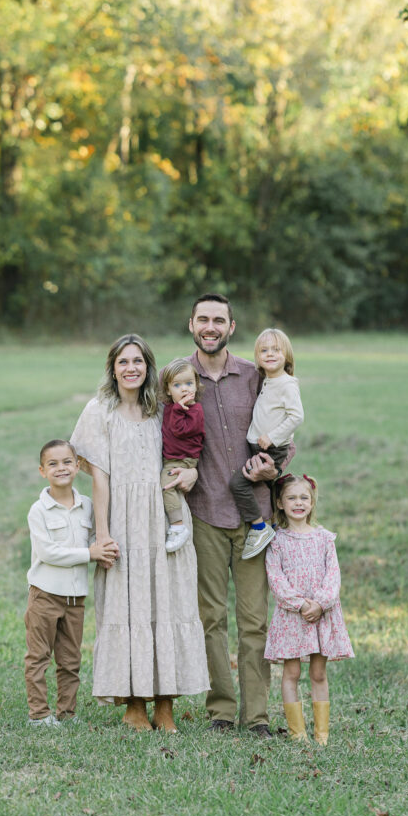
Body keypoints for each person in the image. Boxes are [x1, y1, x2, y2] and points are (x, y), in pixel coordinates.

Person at [70, 334, 209, 733]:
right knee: (126, 605)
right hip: (123, 519)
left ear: (149, 367)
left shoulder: (161, 408)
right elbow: (99, 480)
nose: (131, 368)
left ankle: (165, 703)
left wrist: (192, 471)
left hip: (165, 516)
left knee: (169, 603)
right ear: (112, 368)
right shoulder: (100, 411)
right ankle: (133, 703)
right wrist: (103, 534)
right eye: (123, 362)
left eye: (139, 361)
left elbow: (189, 450)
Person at [168, 293, 292, 739]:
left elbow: (284, 428)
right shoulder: (179, 377)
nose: (211, 326)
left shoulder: (254, 376)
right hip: (203, 513)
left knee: (255, 621)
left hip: (254, 514)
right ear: (191, 324)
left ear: (232, 327)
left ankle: (256, 717)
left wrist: (274, 466)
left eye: (219, 319)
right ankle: (221, 709)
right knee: (211, 618)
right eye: (203, 318)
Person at [24, 439, 120, 727]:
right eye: (52, 464)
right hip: (45, 595)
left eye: (67, 462)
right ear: (42, 471)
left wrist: (101, 549)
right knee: (38, 657)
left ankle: (67, 713)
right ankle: (39, 715)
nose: (61, 468)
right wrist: (89, 554)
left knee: (70, 660)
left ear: (78, 466)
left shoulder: (87, 506)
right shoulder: (39, 511)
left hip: (75, 598)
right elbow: (48, 553)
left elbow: (93, 538)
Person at [264, 474, 354, 744]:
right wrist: (301, 604)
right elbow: (276, 579)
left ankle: (322, 734)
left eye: (304, 498)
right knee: (291, 673)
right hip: (294, 616)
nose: (298, 503)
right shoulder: (277, 541)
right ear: (280, 503)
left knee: (318, 673)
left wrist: (320, 604)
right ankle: (297, 733)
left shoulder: (325, 538)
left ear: (312, 503)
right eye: (291, 498)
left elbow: (333, 576)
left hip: (321, 616)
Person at [228, 328, 304, 560]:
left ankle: (260, 528)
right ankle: (281, 523)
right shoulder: (268, 381)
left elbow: (296, 416)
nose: (270, 354)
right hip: (259, 445)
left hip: (270, 447)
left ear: (287, 355)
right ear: (257, 357)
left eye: (276, 350)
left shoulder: (287, 384)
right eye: (264, 350)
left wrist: (271, 436)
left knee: (239, 484)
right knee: (268, 488)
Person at [159, 358, 206, 554]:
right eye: (177, 385)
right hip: (173, 456)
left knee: (166, 486)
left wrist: (179, 409)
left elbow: (179, 430)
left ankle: (178, 526)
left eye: (189, 383)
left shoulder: (195, 410)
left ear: (196, 385)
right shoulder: (172, 406)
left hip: (183, 459)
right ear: (168, 390)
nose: (184, 389)